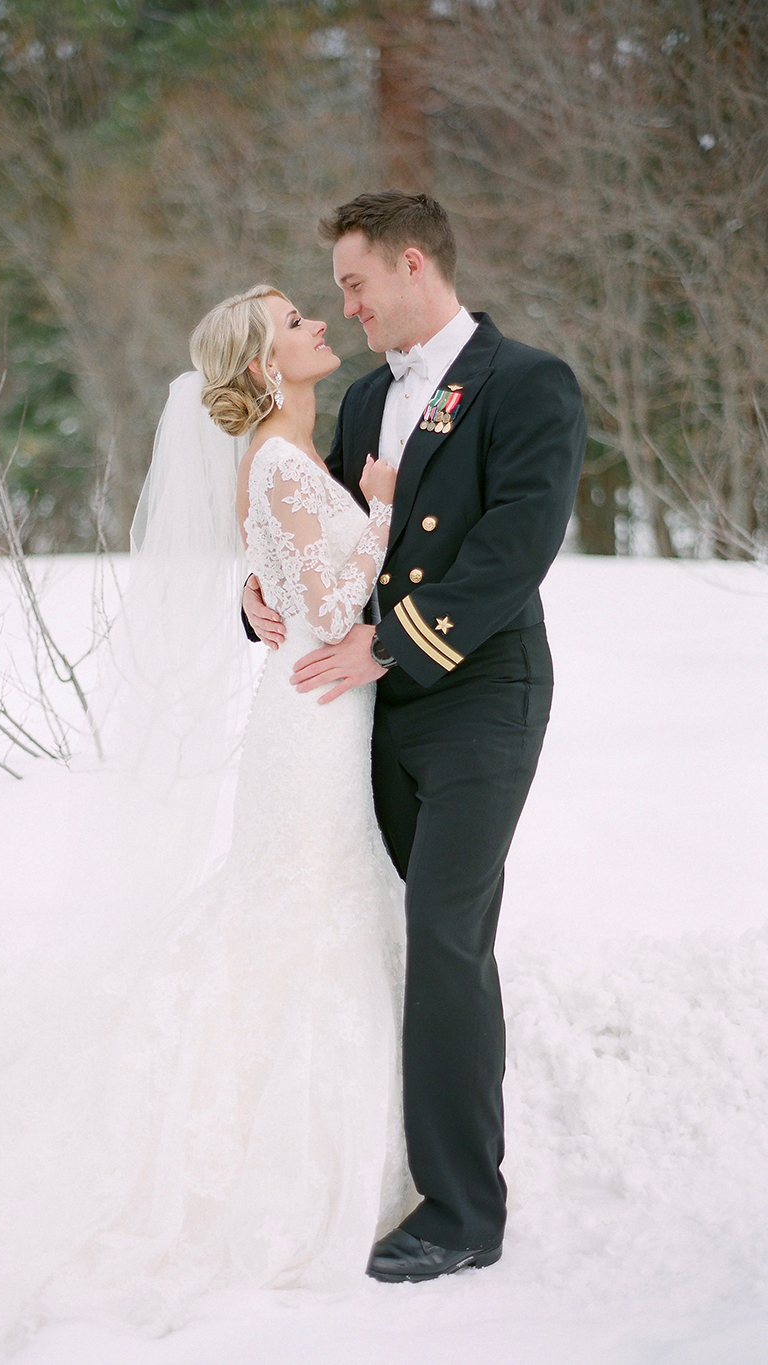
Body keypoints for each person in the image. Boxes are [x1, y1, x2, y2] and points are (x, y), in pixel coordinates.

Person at [40, 283, 416, 1326]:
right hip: (313, 718)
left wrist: (292, 568)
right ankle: (285, 1154)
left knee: (313, 903)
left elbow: (285, 590)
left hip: (318, 711)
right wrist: (384, 503)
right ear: (263, 365)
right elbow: (332, 606)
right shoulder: (287, 466)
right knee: (302, 906)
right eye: (296, 322)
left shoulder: (289, 464)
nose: (317, 328)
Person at [244, 191, 587, 1280]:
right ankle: (364, 1154)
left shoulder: (527, 381)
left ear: (408, 265)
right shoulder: (358, 405)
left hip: (479, 690)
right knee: (377, 928)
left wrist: (395, 643)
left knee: (444, 925)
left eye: (352, 285)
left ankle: (461, 1209)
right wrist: (259, 595)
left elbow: (514, 546)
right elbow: (335, 544)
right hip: (371, 709)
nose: (344, 310)